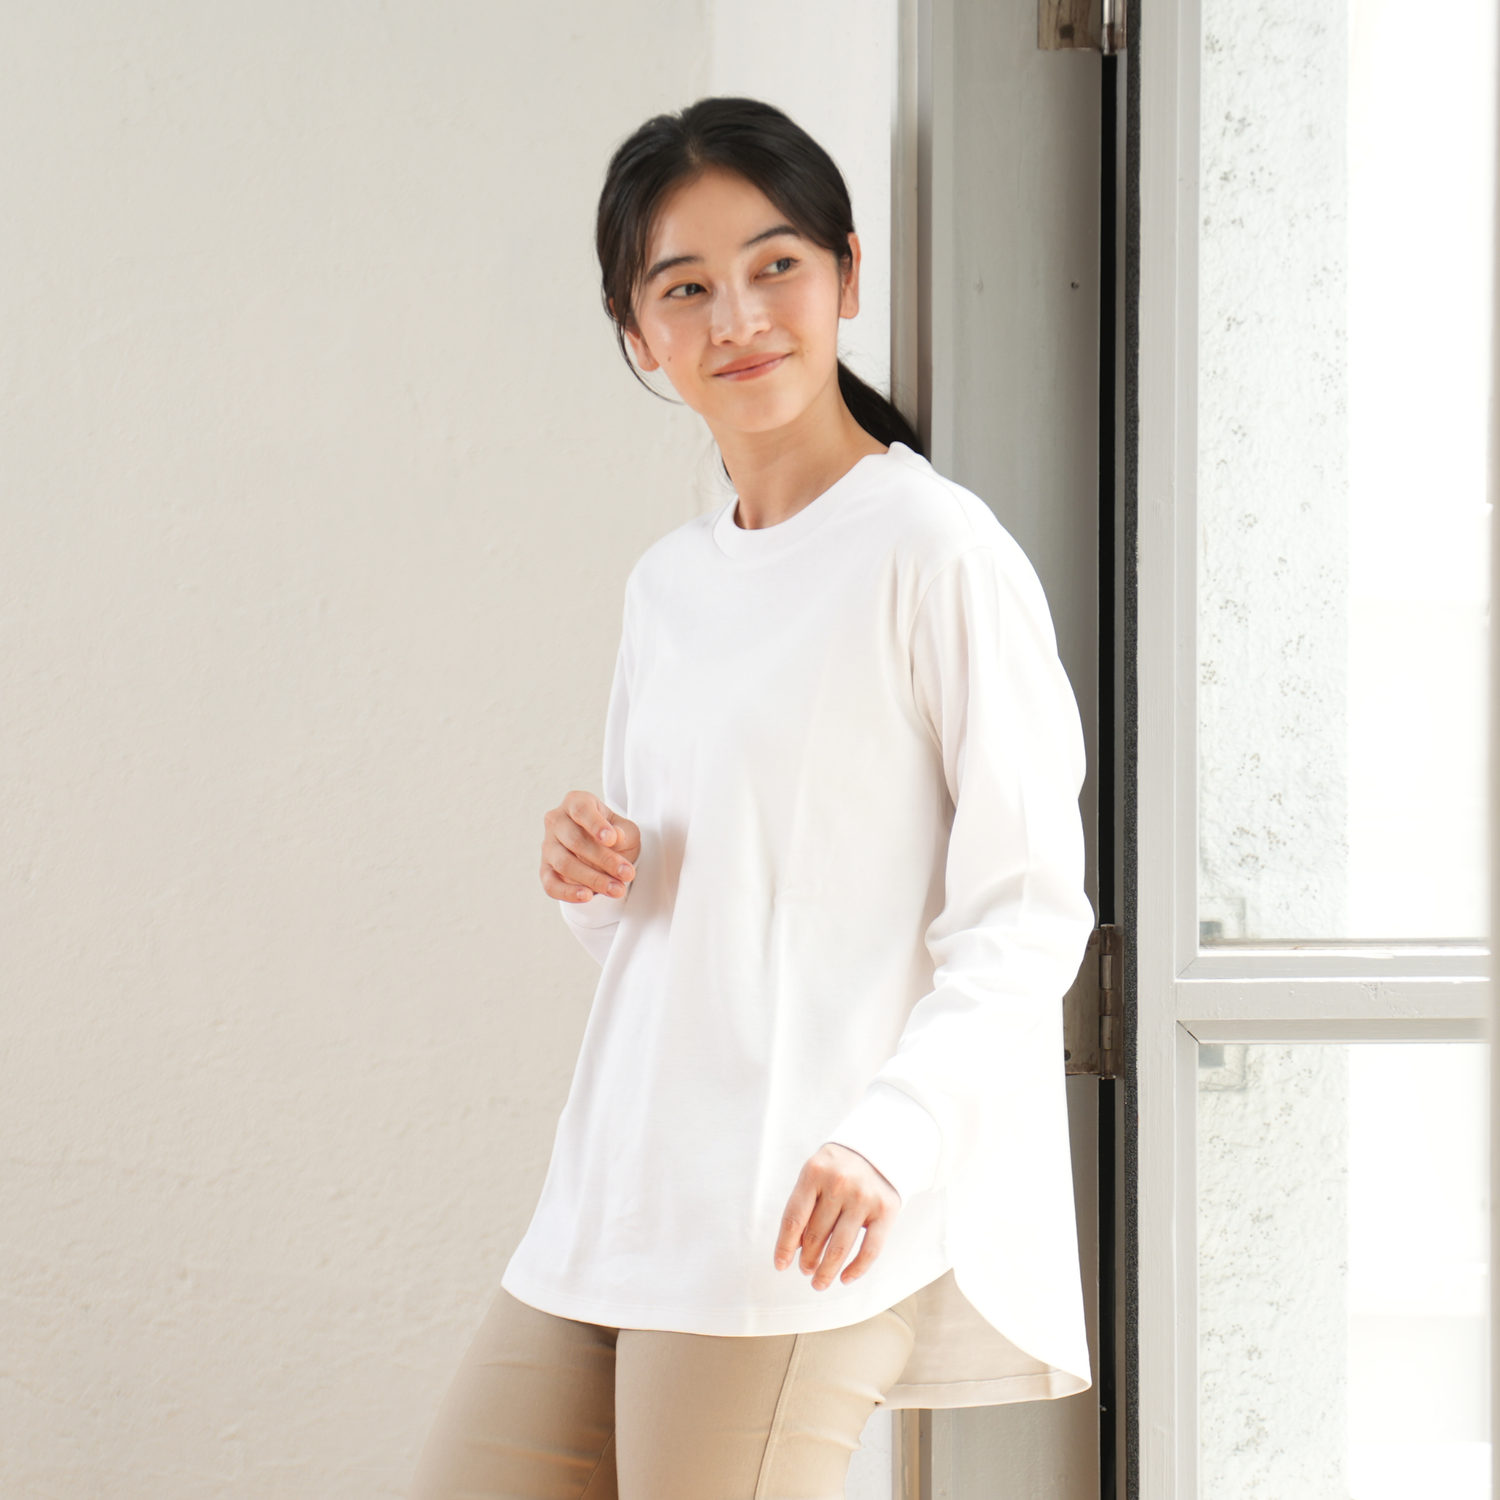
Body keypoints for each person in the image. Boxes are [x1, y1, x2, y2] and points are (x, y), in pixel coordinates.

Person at [409, 96, 1096, 1500]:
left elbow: (1029, 911)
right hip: (620, 1190)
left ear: (847, 274)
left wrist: (890, 1135)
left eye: (776, 265)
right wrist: (596, 877)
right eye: (685, 288)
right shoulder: (669, 585)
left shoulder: (936, 553)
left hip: (797, 1211)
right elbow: (684, 923)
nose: (739, 316)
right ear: (637, 333)